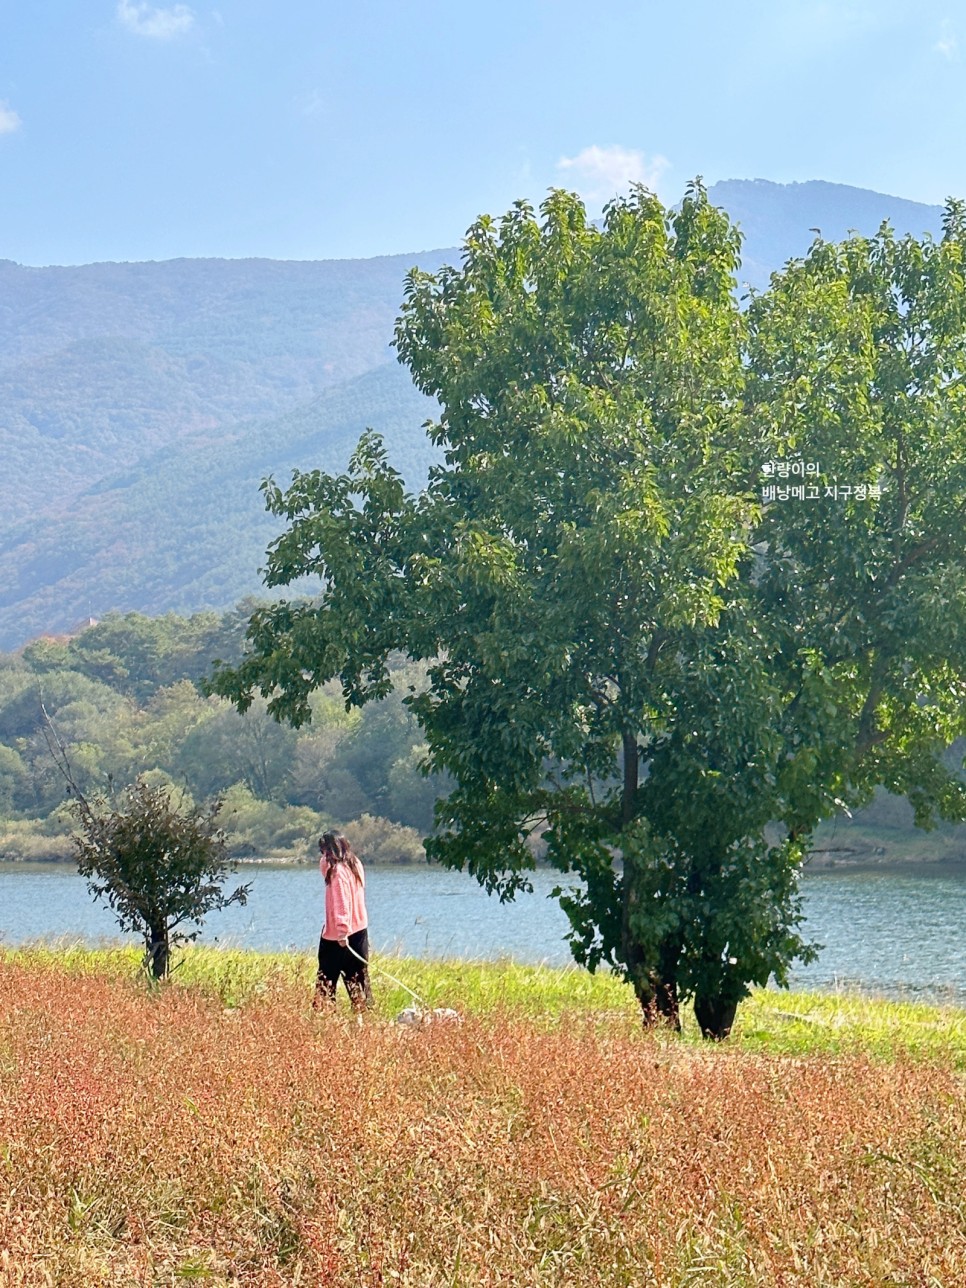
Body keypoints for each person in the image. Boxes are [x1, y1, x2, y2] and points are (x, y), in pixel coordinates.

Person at [314, 831, 373, 1013]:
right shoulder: (355, 864)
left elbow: (342, 902)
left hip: (339, 937)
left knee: (326, 978)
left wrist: (342, 931)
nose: (323, 857)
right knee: (358, 978)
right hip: (360, 931)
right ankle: (363, 1018)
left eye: (325, 852)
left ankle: (323, 1015)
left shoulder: (337, 872)